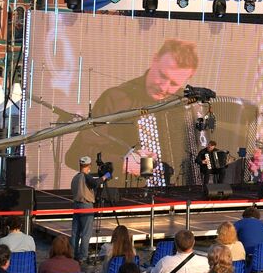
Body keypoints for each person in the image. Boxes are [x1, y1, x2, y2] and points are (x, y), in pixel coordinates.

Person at [65, 40, 208, 183]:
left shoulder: (189, 105)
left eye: (174, 84)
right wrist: (123, 164)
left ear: (187, 79)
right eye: (162, 76)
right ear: (154, 60)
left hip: (180, 197)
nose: (164, 88)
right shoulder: (116, 98)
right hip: (127, 197)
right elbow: (76, 154)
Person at [69, 157, 103, 262]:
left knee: (75, 232)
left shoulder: (75, 178)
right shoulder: (86, 177)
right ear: (88, 166)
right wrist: (105, 177)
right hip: (86, 206)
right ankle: (83, 256)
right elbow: (95, 183)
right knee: (85, 233)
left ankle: (73, 254)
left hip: (76, 206)